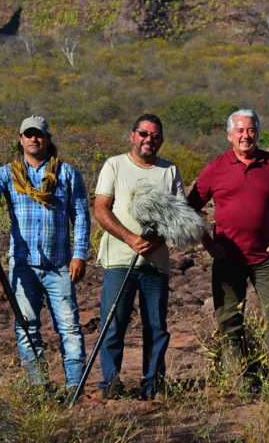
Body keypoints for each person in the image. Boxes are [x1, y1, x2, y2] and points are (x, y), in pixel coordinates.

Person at [0, 115, 90, 389]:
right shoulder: (8, 173)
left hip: (59, 264)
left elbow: (81, 215)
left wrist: (80, 254)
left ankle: (75, 388)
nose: (34, 139)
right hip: (24, 264)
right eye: (28, 134)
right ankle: (39, 388)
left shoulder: (67, 174)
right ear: (20, 139)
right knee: (26, 327)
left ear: (48, 138)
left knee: (70, 329)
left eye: (38, 134)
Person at [188, 109, 269, 374]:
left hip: (266, 260)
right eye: (240, 130)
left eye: (250, 130)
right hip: (228, 259)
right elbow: (190, 208)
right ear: (229, 135)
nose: (245, 136)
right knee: (229, 321)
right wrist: (208, 244)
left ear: (257, 132)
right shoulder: (216, 167)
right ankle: (239, 381)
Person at [92, 113, 184, 400]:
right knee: (113, 322)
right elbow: (101, 209)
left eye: (155, 136)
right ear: (133, 135)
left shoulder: (169, 171)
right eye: (144, 134)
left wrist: (154, 239)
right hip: (119, 260)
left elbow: (180, 215)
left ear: (161, 140)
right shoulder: (115, 165)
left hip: (155, 264)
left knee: (156, 326)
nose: (149, 140)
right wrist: (130, 238)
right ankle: (110, 384)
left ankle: (153, 385)